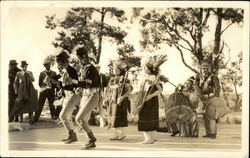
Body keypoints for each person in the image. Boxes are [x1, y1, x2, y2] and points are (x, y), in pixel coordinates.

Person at [73, 46, 101, 149]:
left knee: (79, 118)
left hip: (92, 96)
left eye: (79, 58)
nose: (79, 60)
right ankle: (91, 140)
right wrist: (79, 88)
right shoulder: (85, 68)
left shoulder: (90, 68)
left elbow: (88, 84)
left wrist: (75, 82)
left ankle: (91, 139)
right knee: (82, 119)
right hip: (87, 95)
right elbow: (86, 85)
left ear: (84, 56)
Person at [134, 55, 167, 144]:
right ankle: (152, 138)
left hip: (150, 100)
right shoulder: (144, 77)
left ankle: (148, 139)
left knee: (146, 118)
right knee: (145, 117)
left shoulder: (153, 77)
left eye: (146, 68)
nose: (144, 69)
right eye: (144, 67)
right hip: (143, 99)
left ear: (149, 69)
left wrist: (151, 95)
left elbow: (160, 90)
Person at [56, 50, 81, 144]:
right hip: (67, 95)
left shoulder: (71, 70)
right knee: (65, 116)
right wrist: (61, 90)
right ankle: (71, 135)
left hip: (73, 95)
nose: (59, 64)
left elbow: (74, 85)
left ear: (63, 61)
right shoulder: (64, 71)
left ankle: (73, 135)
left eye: (59, 62)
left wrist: (64, 87)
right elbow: (64, 84)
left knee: (62, 116)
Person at [195, 61, 221, 139]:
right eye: (203, 69)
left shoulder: (213, 77)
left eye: (206, 68)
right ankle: (209, 133)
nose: (204, 70)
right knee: (205, 115)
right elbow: (197, 88)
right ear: (201, 69)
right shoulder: (199, 78)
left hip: (212, 98)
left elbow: (217, 88)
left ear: (209, 69)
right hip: (204, 99)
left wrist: (213, 95)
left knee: (211, 115)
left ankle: (213, 133)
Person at [107, 60, 132, 140]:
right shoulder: (112, 79)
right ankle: (116, 134)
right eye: (114, 69)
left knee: (119, 117)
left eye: (117, 69)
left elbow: (129, 90)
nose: (115, 71)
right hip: (113, 100)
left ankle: (121, 134)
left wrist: (123, 97)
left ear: (121, 71)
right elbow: (109, 87)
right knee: (113, 117)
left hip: (121, 101)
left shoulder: (125, 79)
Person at [34, 57, 60, 122]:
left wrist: (55, 89)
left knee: (52, 105)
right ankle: (35, 118)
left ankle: (53, 117)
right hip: (43, 91)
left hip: (51, 91)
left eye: (48, 64)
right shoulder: (42, 73)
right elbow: (39, 83)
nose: (47, 66)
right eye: (46, 65)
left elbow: (56, 83)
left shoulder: (54, 73)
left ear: (50, 65)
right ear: (44, 66)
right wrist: (45, 86)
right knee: (40, 105)